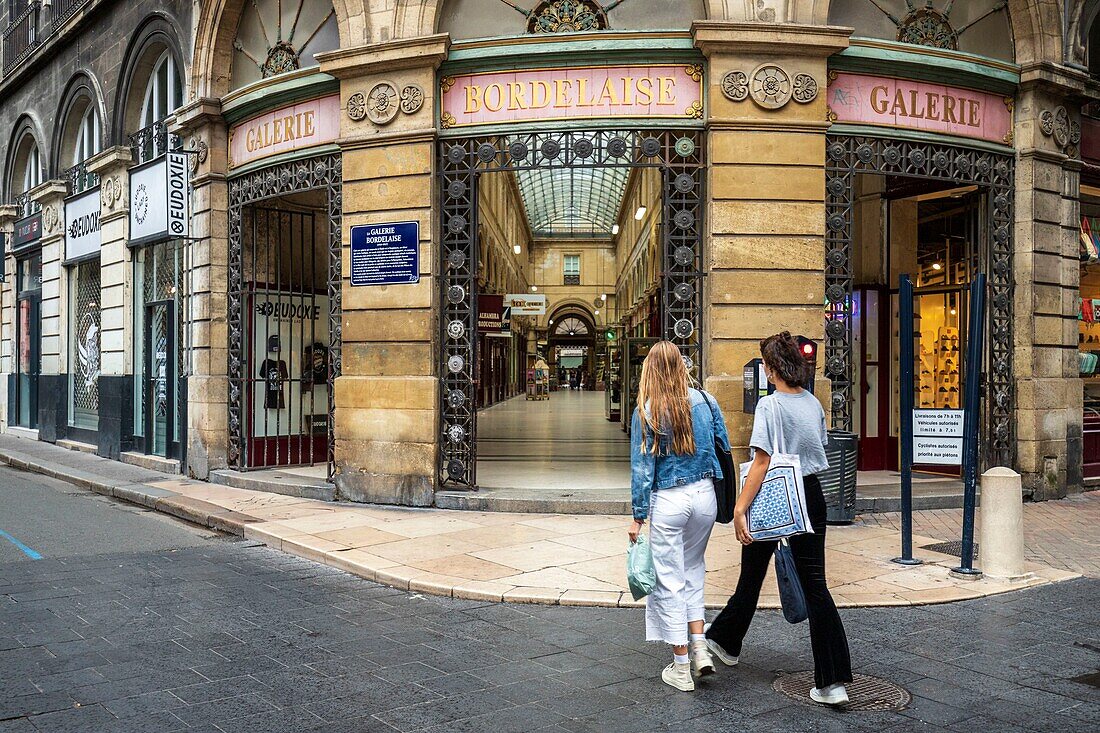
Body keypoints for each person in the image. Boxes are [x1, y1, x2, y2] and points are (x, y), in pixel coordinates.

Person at [704, 331, 853, 706]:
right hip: (811, 497)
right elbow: (818, 445)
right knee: (814, 584)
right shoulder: (812, 403)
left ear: (771, 369)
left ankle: (725, 641)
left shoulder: (770, 406)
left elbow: (762, 461)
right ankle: (831, 682)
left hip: (773, 495)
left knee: (752, 573)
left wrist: (739, 508)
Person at [628, 341, 730, 692]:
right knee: (693, 569)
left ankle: (681, 665)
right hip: (704, 497)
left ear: (650, 370)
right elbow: (724, 448)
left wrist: (638, 517)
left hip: (668, 501)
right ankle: (701, 647)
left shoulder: (647, 409)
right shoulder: (706, 401)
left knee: (668, 579)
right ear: (682, 366)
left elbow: (643, 469)